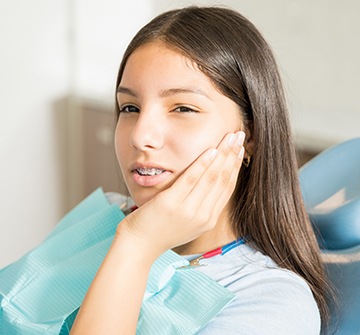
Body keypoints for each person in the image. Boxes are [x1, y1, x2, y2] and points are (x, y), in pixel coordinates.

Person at [70, 6, 333, 335]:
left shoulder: (270, 303)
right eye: (130, 107)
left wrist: (137, 246)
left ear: (249, 135)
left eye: (182, 108)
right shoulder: (104, 217)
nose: (140, 136)